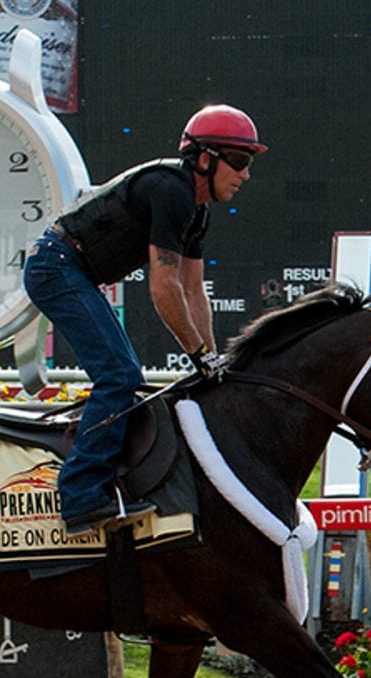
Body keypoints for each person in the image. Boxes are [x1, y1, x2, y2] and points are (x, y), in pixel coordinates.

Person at [23, 104, 267, 537]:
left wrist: (210, 360)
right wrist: (198, 355)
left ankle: (106, 477)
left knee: (123, 375)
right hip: (55, 267)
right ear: (205, 158)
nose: (246, 175)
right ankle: (80, 496)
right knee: (119, 375)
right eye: (240, 161)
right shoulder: (170, 190)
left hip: (73, 269)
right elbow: (164, 287)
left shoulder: (198, 210)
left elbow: (194, 291)